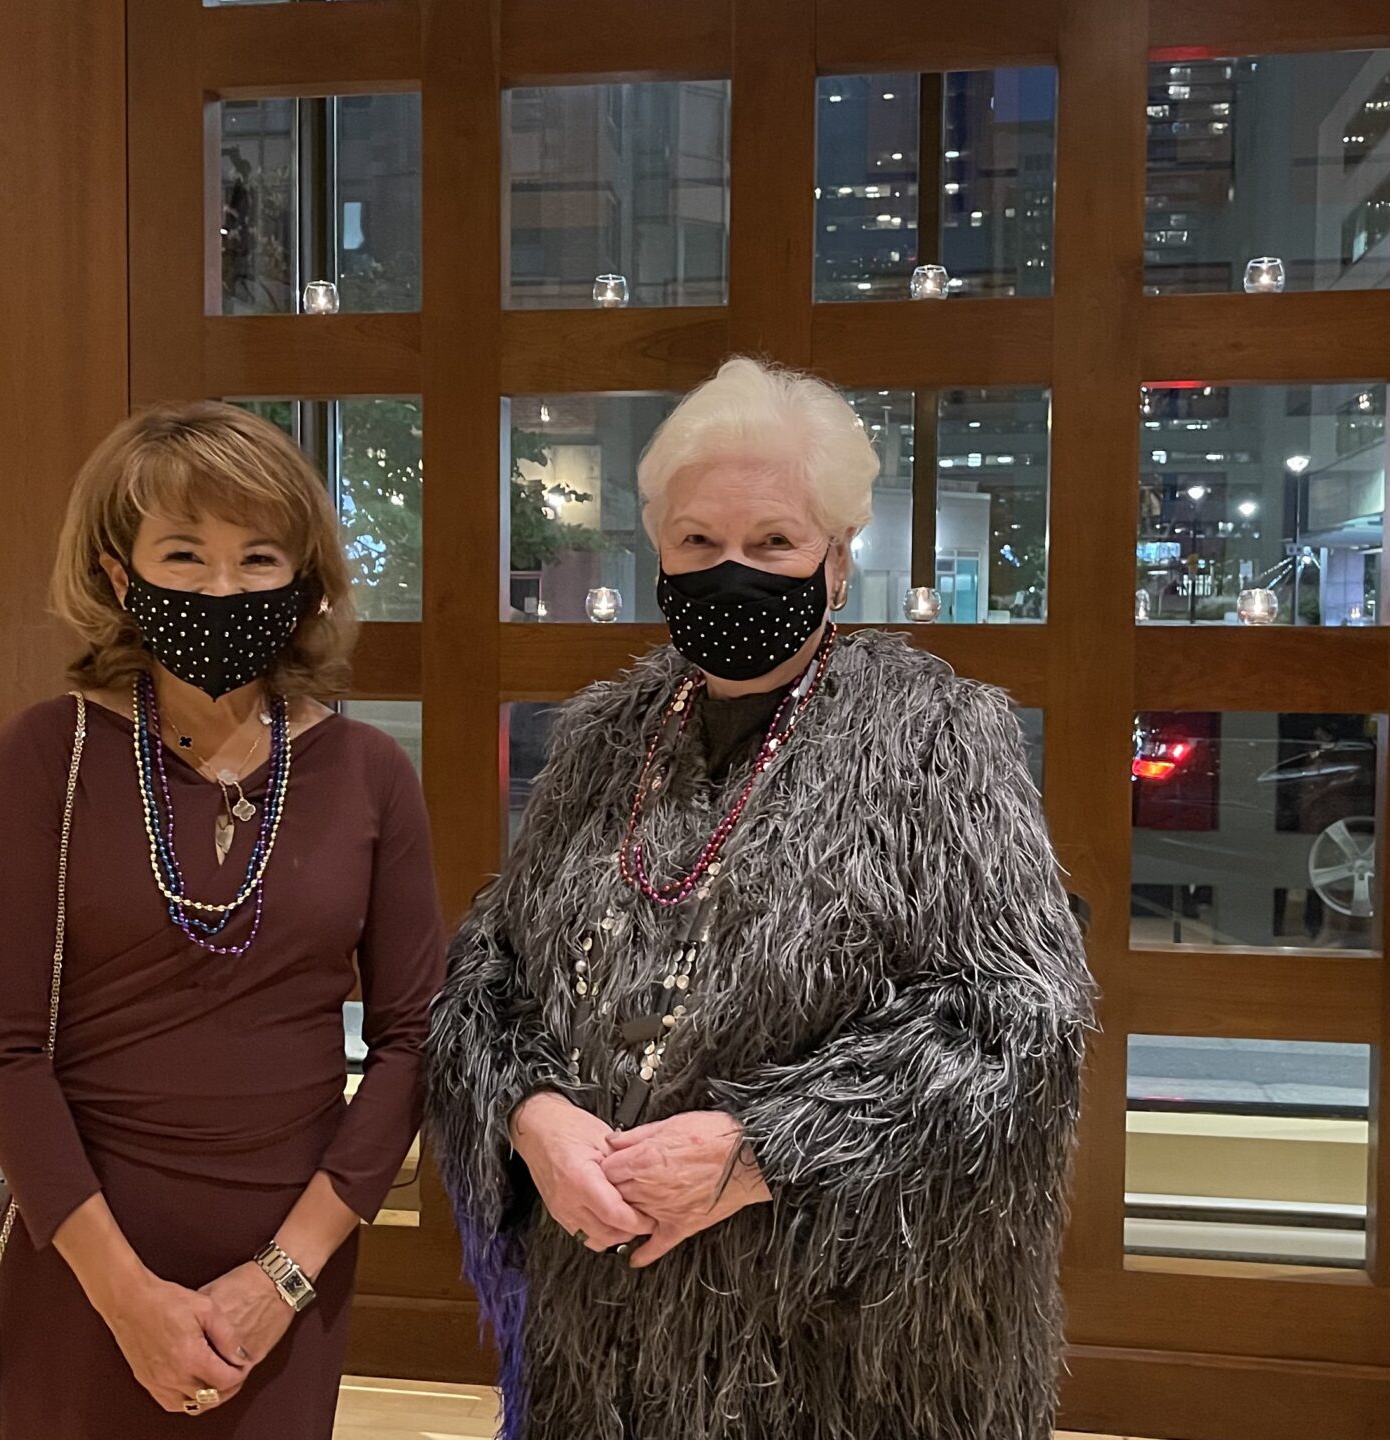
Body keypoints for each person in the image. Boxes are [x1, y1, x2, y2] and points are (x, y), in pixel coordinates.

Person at [428, 358, 1097, 1439]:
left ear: (836, 559)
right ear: (658, 552)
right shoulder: (604, 738)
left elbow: (1017, 1019)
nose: (730, 571)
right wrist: (531, 1113)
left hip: (844, 1344)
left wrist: (762, 1147)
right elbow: (489, 970)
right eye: (698, 541)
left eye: (773, 541)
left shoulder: (935, 737)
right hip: (603, 1325)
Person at [0, 402, 444, 1436]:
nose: (222, 589)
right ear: (118, 575)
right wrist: (127, 1299)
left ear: (304, 580)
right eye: (184, 554)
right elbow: (1, 1050)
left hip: (291, 1265)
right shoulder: (43, 757)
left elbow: (414, 1042)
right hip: (83, 1258)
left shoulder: (369, 773)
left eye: (257, 558)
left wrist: (283, 1277)